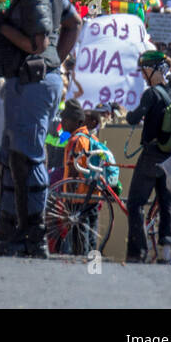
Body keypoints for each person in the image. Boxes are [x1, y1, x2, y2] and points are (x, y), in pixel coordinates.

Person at [0, 0, 81, 258]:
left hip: (34, 82)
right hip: (32, 79)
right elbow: (73, 22)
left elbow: (37, 44)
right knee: (12, 157)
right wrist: (54, 65)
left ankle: (32, 237)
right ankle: (8, 230)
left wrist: (3, 27)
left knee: (28, 158)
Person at [123, 49, 171, 263]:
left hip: (151, 156)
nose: (142, 74)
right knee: (167, 201)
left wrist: (128, 113)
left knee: (135, 203)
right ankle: (166, 251)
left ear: (152, 69)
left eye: (144, 69)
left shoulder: (151, 94)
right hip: (169, 156)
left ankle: (138, 251)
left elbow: (133, 118)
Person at [57, 100, 102, 254]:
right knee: (90, 236)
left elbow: (73, 172)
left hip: (77, 197)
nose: (62, 123)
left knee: (79, 239)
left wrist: (67, 200)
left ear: (77, 121)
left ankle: (80, 265)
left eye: (65, 120)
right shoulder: (92, 138)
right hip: (93, 195)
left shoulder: (76, 140)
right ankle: (89, 262)